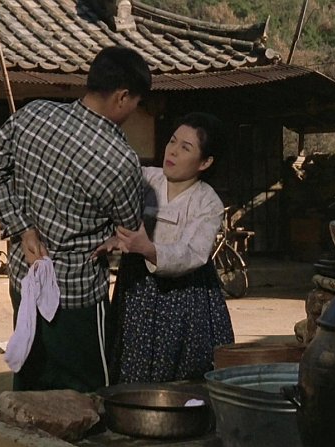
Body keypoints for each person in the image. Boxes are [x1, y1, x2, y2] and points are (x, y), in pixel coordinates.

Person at [0, 46, 151, 392]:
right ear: (122, 96)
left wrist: (24, 229)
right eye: (136, 102)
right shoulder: (120, 160)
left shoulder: (33, 114)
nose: (134, 110)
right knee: (87, 393)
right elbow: (130, 227)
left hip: (25, 279)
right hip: (77, 295)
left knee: (31, 381)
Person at [96, 112, 235, 384]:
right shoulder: (145, 179)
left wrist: (148, 248)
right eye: (172, 141)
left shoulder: (208, 203)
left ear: (205, 162)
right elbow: (112, 197)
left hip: (185, 297)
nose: (172, 151)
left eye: (186, 147)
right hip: (137, 291)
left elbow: (193, 253)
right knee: (130, 364)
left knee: (183, 376)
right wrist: (114, 235)